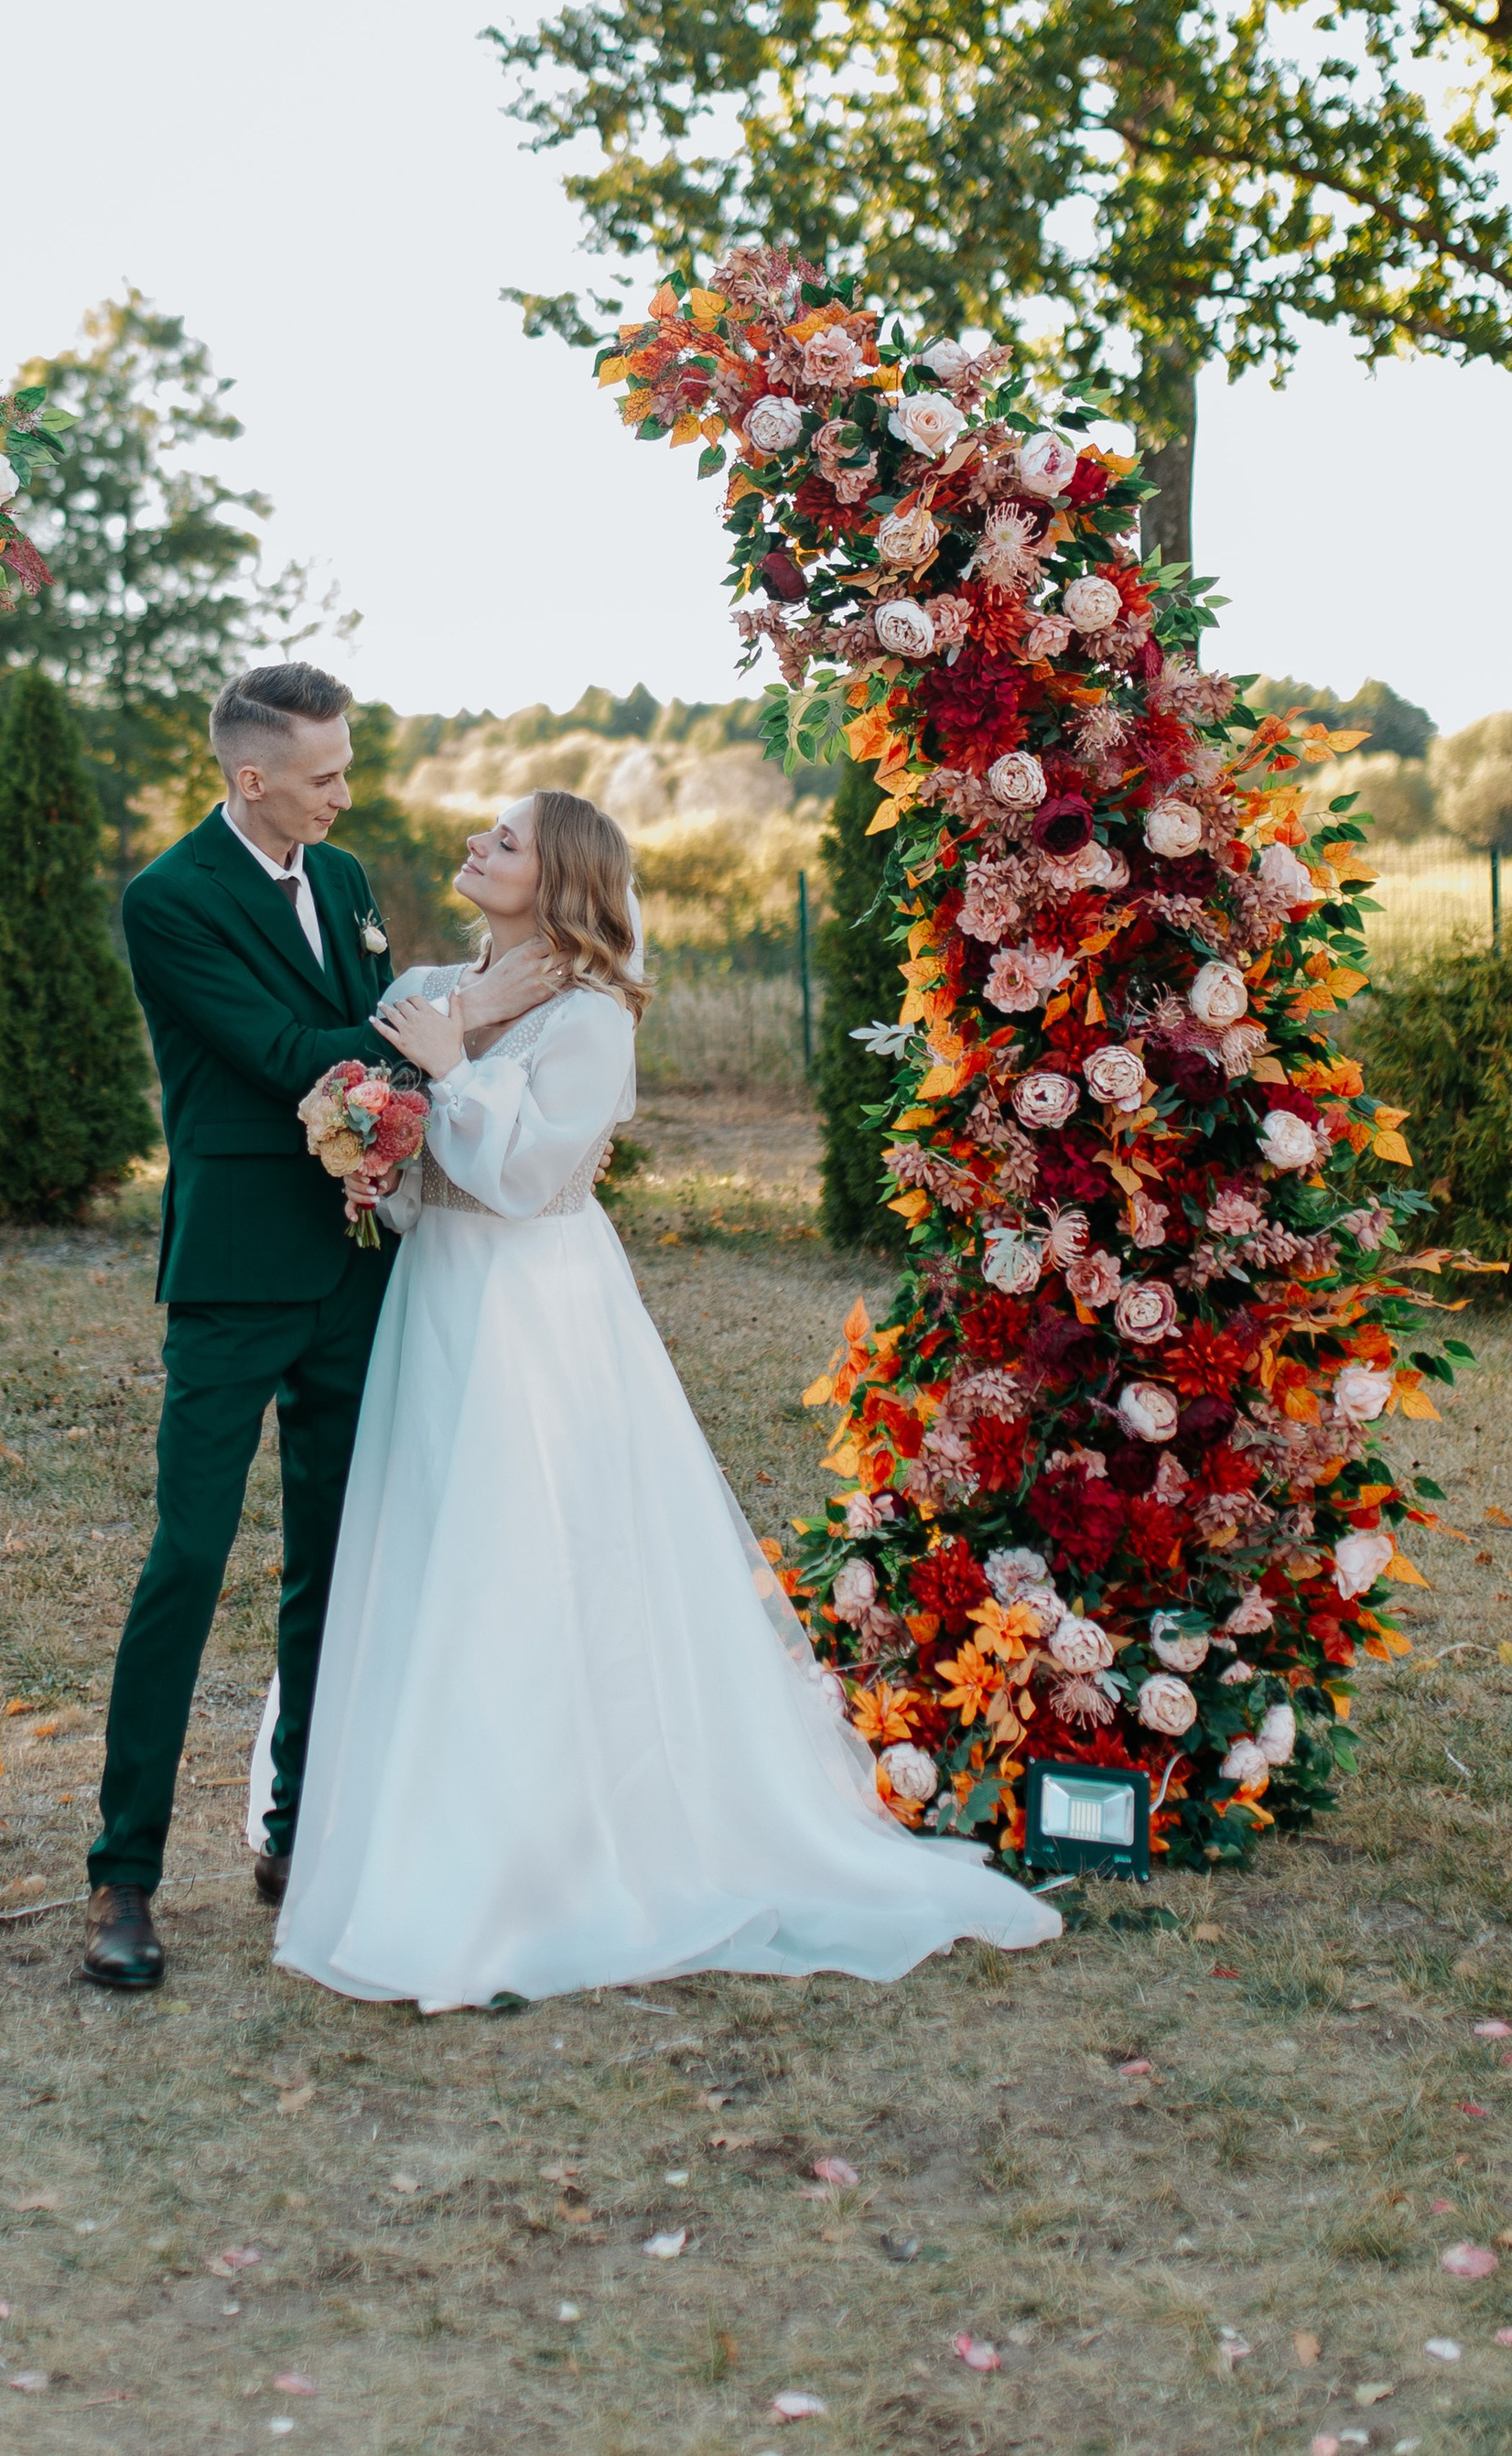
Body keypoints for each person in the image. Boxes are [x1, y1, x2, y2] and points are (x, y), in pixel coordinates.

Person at [260, 788, 1063, 2010]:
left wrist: (451, 1068)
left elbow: (528, 1176)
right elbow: (424, 1161)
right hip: (435, 1294)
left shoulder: (590, 1018)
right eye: (485, 833)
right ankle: (425, 1826)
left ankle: (560, 1850)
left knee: (536, 1548)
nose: (478, 847)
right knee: (434, 1543)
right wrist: (375, 1154)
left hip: (536, 1299)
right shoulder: (428, 981)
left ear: (564, 877)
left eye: (507, 841)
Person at [81, 663, 557, 1992]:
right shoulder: (169, 900)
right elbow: (299, 1053)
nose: (346, 791)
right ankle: (124, 1877)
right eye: (326, 773)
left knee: (336, 1567)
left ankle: (300, 1838)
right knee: (186, 1561)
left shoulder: (342, 885)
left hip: (356, 1267)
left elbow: (374, 1049)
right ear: (252, 779)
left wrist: (438, 1033)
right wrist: (472, 1011)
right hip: (233, 1278)